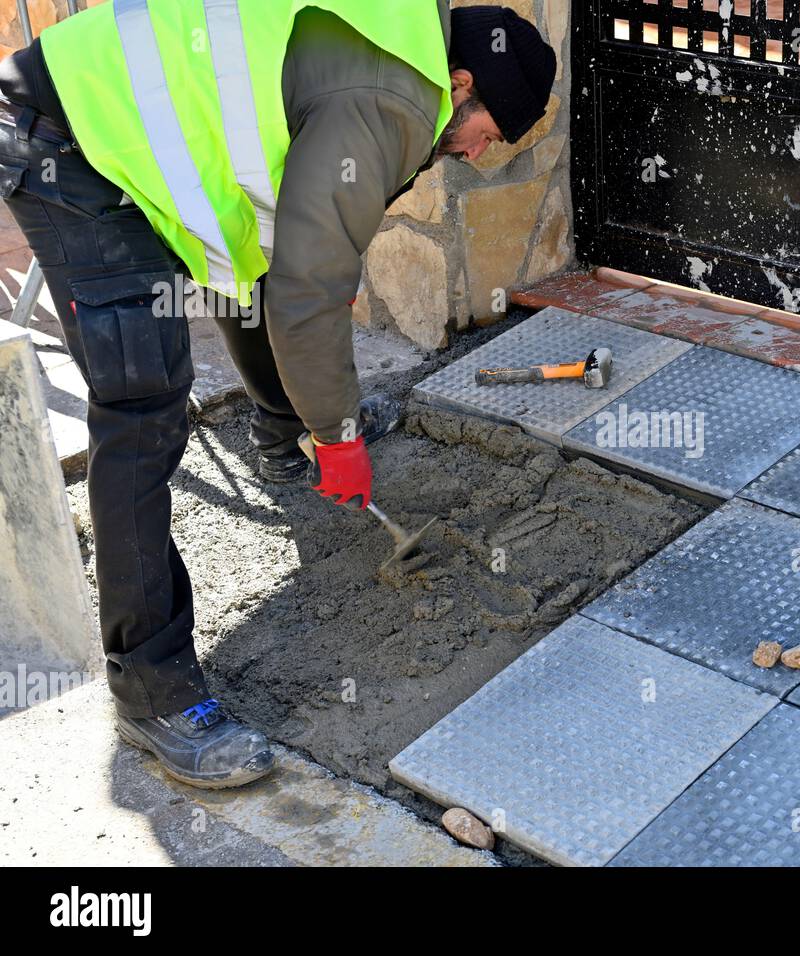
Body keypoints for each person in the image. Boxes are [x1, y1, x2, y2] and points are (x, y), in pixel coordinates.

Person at [0, 1, 556, 789]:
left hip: (94, 106)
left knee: (249, 269)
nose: (474, 152)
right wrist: (338, 438)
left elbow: (270, 251)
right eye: (488, 132)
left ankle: (280, 430)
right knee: (142, 403)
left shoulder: (394, 46)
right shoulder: (392, 103)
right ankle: (151, 692)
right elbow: (307, 289)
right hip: (67, 138)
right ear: (462, 84)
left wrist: (314, 421)